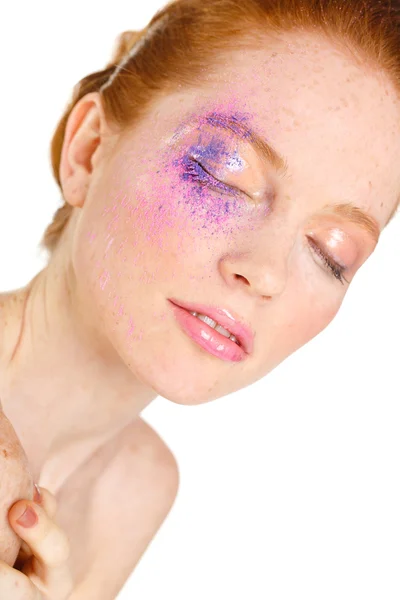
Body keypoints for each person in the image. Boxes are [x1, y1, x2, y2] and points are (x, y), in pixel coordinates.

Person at [0, 0, 399, 597]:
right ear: (89, 150)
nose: (265, 273)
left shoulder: (136, 487)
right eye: (223, 175)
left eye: (330, 251)